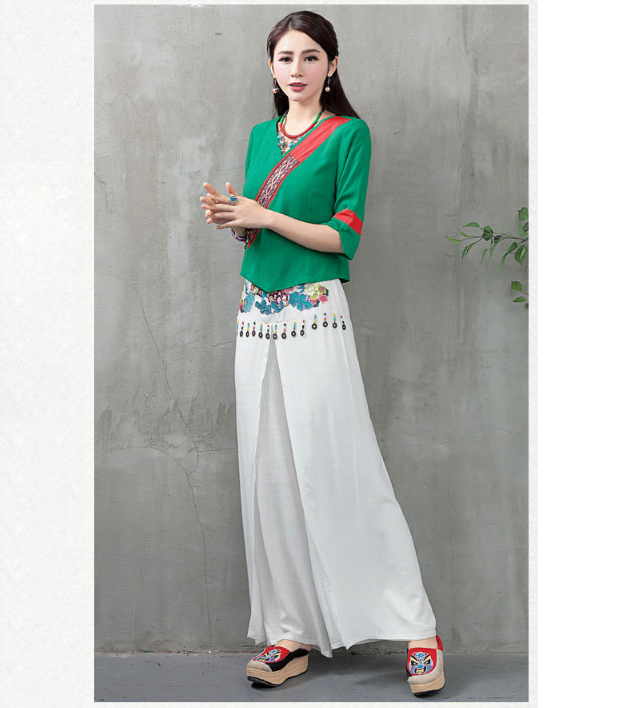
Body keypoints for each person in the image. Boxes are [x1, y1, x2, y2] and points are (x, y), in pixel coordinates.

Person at [199, 10, 446, 697]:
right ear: (271, 67)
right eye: (285, 58)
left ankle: (419, 629)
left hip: (314, 313)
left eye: (311, 56)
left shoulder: (349, 135)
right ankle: (291, 630)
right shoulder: (261, 137)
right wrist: (235, 219)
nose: (297, 69)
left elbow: (343, 236)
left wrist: (263, 215)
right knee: (269, 472)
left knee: (343, 465)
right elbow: (258, 233)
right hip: (256, 314)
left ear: (331, 65)